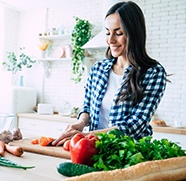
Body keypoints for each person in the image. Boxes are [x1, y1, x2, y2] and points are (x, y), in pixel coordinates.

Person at [52, 1, 167, 146]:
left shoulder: (153, 73)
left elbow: (135, 125)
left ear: (134, 33)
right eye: (107, 32)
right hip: (93, 148)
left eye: (118, 33)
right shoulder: (98, 68)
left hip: (129, 153)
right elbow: (87, 107)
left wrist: (86, 135)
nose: (110, 40)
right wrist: (81, 123)